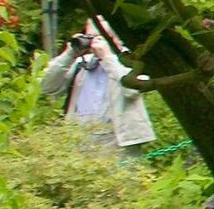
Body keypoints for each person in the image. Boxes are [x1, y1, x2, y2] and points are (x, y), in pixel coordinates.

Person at [39, 19, 154, 151]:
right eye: (89, 37)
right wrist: (69, 54)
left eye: (98, 38)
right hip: (79, 142)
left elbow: (132, 90)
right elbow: (46, 87)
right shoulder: (82, 63)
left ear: (115, 39)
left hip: (118, 144)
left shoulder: (133, 61)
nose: (92, 43)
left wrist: (107, 58)